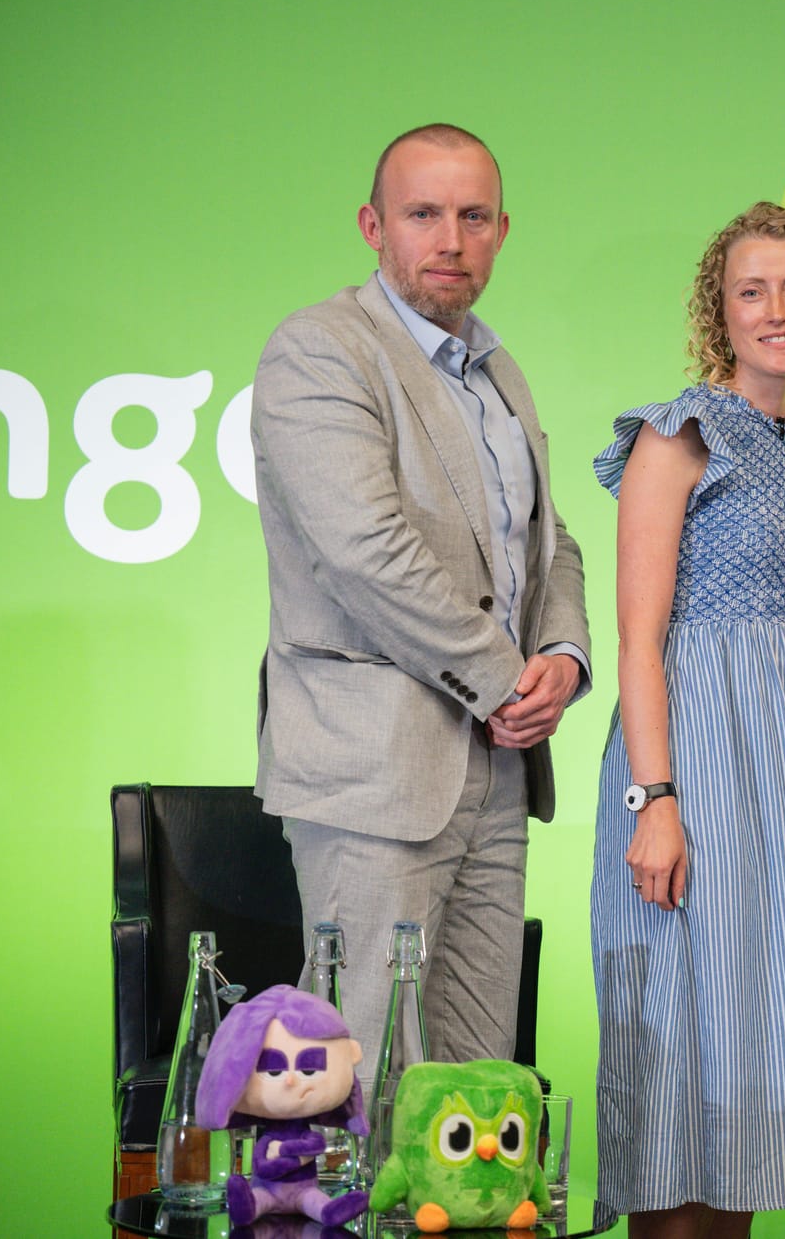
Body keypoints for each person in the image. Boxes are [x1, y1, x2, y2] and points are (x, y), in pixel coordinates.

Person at [252, 123, 590, 1076]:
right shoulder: (319, 349)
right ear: (373, 225)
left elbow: (549, 539)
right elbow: (364, 551)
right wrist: (505, 680)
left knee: (473, 1094)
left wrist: (562, 659)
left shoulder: (497, 370)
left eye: (473, 216)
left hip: (499, 768)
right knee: (356, 1071)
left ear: (501, 229)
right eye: (424, 214)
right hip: (376, 770)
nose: (451, 238)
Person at [590, 202, 785, 1237]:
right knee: (684, 1038)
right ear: (720, 309)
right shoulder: (677, 436)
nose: (775, 308)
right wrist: (655, 798)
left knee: (756, 1048)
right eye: (751, 290)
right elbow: (636, 636)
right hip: (698, 751)